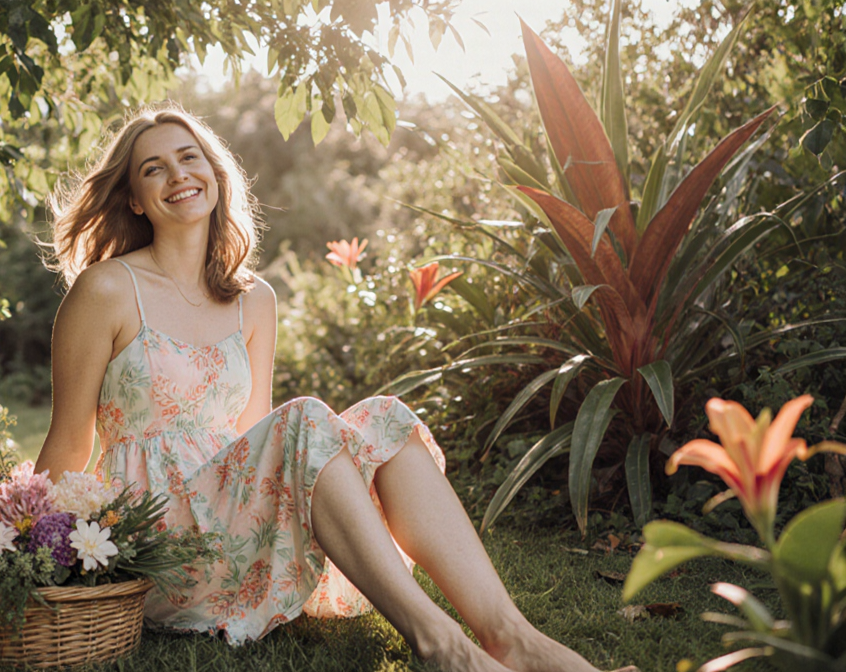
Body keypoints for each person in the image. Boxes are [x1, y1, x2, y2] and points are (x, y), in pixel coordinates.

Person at [34, 104, 632, 672]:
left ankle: (514, 637)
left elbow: (254, 432)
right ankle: (439, 642)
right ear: (134, 199)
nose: (177, 175)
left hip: (233, 518)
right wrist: (33, 547)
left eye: (190, 158)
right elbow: (67, 445)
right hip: (159, 536)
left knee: (384, 418)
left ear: (215, 176)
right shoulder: (107, 290)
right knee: (308, 418)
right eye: (153, 168)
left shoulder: (253, 301)